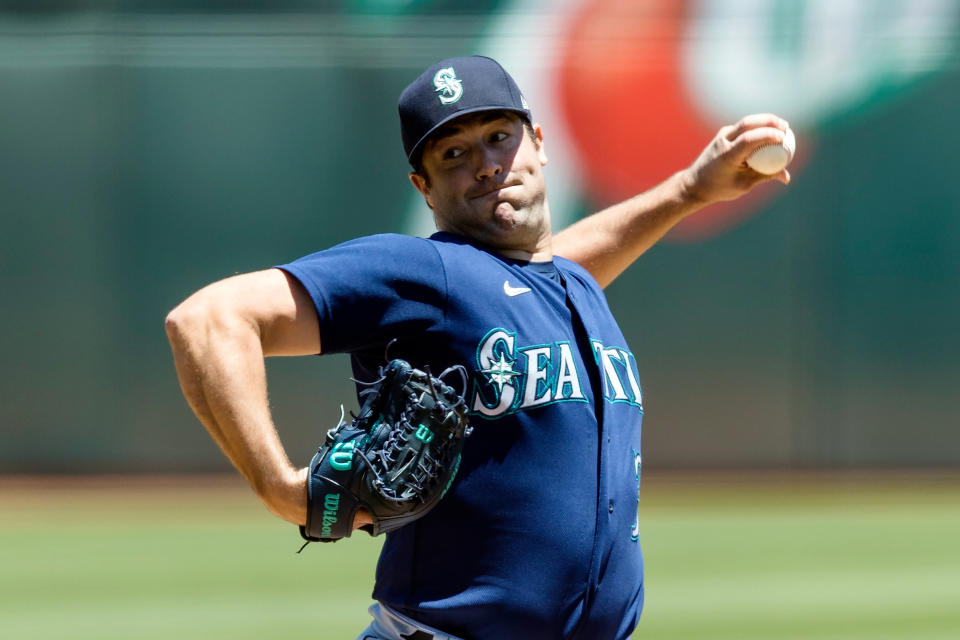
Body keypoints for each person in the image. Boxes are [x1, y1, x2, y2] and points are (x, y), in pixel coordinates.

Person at [165, 55, 790, 640]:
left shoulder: (565, 284)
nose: (487, 165)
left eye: (499, 136)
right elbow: (206, 320)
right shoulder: (424, 271)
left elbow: (558, 264)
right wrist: (280, 487)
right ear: (424, 186)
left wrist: (689, 190)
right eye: (455, 153)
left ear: (539, 144)